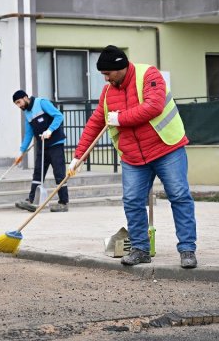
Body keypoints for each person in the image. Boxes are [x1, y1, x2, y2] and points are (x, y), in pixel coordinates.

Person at [68, 45, 198, 268]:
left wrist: (121, 118)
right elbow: (96, 122)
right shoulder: (108, 92)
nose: (105, 79)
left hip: (166, 148)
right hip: (133, 157)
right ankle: (140, 250)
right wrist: (78, 157)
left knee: (179, 196)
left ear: (120, 67)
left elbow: (154, 106)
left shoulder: (148, 75)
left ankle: (187, 250)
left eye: (108, 73)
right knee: (132, 201)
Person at [12, 90, 69, 213]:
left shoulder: (41, 103)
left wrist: (50, 130)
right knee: (38, 173)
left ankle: (63, 203)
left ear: (25, 97)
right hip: (42, 145)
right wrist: (21, 152)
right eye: (16, 104)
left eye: (19, 102)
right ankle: (31, 201)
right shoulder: (27, 113)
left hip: (55, 143)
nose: (19, 105)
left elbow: (59, 116)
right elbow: (29, 134)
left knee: (59, 174)